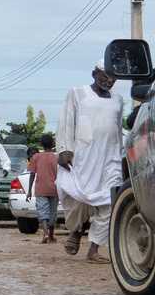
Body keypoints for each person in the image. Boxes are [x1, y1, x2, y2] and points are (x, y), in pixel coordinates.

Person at [56, 63, 124, 263]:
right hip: (83, 157)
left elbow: (118, 128)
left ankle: (94, 249)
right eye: (105, 75)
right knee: (79, 199)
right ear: (94, 73)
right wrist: (64, 149)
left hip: (110, 159)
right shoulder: (77, 93)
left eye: (113, 78)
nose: (109, 81)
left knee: (110, 202)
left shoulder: (118, 100)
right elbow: (66, 121)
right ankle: (76, 232)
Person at [29, 134, 60, 244]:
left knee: (43, 212)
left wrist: (29, 191)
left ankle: (46, 233)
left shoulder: (36, 157)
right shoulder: (57, 157)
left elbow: (32, 174)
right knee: (52, 213)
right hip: (54, 189)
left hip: (40, 189)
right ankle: (51, 235)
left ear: (41, 144)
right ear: (53, 144)